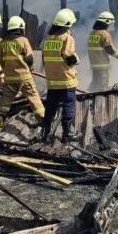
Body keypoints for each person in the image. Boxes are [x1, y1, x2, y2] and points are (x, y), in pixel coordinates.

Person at [0, 16, 44, 128]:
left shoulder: (3, 43)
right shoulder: (23, 40)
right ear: (20, 28)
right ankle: (43, 120)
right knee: (34, 97)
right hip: (24, 77)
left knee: (6, 100)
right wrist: (30, 67)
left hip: (9, 77)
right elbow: (29, 58)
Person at [41, 8, 80, 143]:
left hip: (52, 81)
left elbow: (45, 59)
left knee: (51, 107)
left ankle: (45, 133)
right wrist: (76, 59)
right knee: (69, 105)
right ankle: (67, 133)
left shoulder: (48, 39)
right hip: (66, 80)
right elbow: (69, 58)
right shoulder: (67, 38)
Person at [87, 11, 118, 91]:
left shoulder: (92, 34)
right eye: (110, 23)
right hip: (103, 67)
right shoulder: (104, 34)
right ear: (106, 22)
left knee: (94, 85)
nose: (110, 26)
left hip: (94, 66)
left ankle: (87, 98)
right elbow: (110, 50)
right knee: (102, 88)